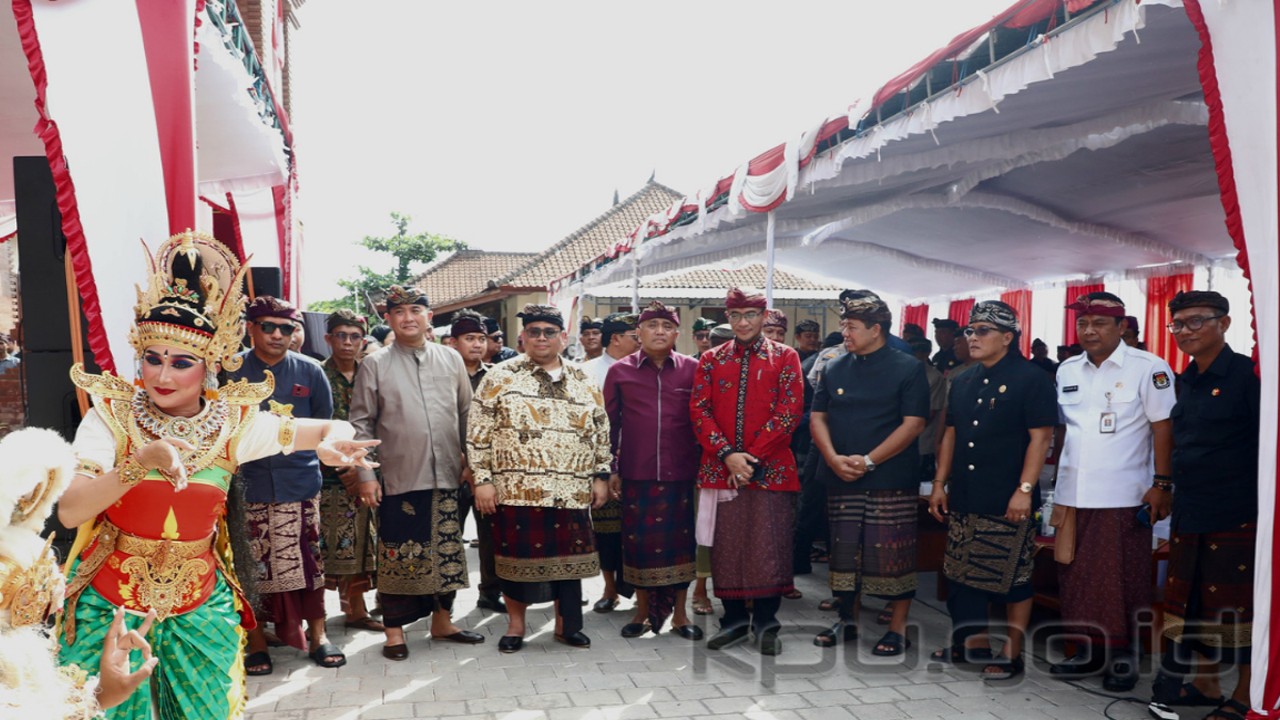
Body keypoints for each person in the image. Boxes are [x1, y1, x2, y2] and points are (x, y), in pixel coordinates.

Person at [58, 231, 377, 719]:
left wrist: (335, 440)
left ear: (209, 366)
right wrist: (140, 462)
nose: (162, 376)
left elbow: (326, 426)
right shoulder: (110, 417)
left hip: (199, 602)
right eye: (152, 359)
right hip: (111, 603)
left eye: (182, 362)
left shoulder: (234, 423)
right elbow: (72, 509)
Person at [348, 286, 483, 661]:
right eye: (399, 311)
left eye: (416, 309)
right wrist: (366, 476)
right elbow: (360, 421)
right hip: (398, 476)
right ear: (388, 319)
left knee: (446, 554)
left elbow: (466, 415)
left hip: (447, 476)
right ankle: (393, 633)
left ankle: (443, 623)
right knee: (399, 556)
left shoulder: (451, 359)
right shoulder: (375, 364)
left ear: (430, 316)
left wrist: (473, 464)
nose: (408, 317)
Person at [468, 304, 611, 652]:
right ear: (523, 337)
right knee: (515, 563)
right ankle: (516, 626)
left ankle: (566, 626)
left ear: (563, 337)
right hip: (516, 489)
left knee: (569, 564)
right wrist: (482, 480)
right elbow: (477, 433)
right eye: (534, 331)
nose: (542, 338)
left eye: (549, 332)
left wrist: (601, 475)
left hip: (571, 489)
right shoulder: (500, 377)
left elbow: (600, 431)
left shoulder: (583, 379)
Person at [1051, 291, 1175, 691]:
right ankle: (1088, 652)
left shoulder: (1149, 368)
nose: (1089, 331)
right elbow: (1064, 431)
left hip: (1124, 494)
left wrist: (1162, 483)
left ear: (1123, 327)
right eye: (1083, 323)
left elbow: (1164, 428)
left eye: (1099, 323)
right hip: (1073, 493)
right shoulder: (1067, 369)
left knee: (1124, 579)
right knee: (1077, 576)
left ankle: (1124, 658)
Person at [927, 301, 1057, 680]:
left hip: (1007, 493)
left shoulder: (1031, 378)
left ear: (1008, 337)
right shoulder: (964, 379)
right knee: (962, 569)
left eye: (982, 330)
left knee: (1011, 574)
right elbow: (950, 433)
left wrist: (1024, 489)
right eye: (970, 330)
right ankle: (972, 643)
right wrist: (939, 482)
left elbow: (1041, 437)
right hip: (966, 490)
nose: (973, 337)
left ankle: (1011, 650)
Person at [1147, 291, 1258, 720]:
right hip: (1191, 509)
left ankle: (1246, 697)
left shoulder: (1249, 375)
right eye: (1178, 325)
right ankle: (1206, 684)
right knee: (1194, 606)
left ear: (1224, 324)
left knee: (1239, 611)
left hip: (1238, 512)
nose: (1186, 332)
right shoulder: (1185, 379)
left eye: (1197, 322)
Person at [809, 290, 928, 655]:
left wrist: (870, 461)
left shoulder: (907, 367)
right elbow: (817, 417)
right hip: (841, 475)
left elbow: (914, 424)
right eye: (844, 325)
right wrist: (832, 458)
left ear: (876, 330)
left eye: (853, 326)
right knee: (844, 553)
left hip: (889, 478)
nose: (846, 332)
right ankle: (847, 620)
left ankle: (897, 628)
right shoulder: (833, 367)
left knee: (893, 555)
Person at [229, 296, 340, 674]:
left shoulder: (310, 371)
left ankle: (319, 635)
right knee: (250, 566)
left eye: (287, 328)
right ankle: (257, 641)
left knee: (310, 563)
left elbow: (326, 426)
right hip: (247, 488)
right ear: (250, 328)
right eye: (268, 326)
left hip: (299, 484)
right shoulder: (230, 371)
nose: (278, 334)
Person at [692, 287, 803, 656]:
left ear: (763, 316)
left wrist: (749, 459)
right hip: (721, 468)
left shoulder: (786, 357)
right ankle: (735, 622)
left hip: (770, 469)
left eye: (750, 315)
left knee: (768, 546)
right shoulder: (710, 359)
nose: (742, 323)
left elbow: (789, 412)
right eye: (735, 316)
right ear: (727, 317)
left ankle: (768, 623)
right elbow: (699, 411)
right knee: (727, 546)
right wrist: (727, 455)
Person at [603, 301, 702, 640]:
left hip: (681, 474)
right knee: (637, 546)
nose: (659, 331)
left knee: (681, 546)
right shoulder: (621, 371)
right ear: (639, 333)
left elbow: (703, 423)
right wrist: (611, 468)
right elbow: (610, 424)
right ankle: (643, 613)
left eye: (666, 326)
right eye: (652, 325)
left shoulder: (693, 369)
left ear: (676, 333)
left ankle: (679, 615)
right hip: (636, 473)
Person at [318, 310, 382, 634]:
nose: (347, 342)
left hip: (369, 473)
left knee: (364, 545)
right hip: (328, 478)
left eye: (354, 336)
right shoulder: (317, 375)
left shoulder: (370, 373)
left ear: (363, 340)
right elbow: (310, 427)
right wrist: (343, 467)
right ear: (328, 338)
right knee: (328, 548)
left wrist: (363, 469)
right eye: (340, 336)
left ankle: (358, 610)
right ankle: (315, 619)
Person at [446, 309, 505, 613]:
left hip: (487, 473)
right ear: (453, 342)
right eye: (470, 339)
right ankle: (445, 601)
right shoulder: (440, 377)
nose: (478, 345)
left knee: (491, 536)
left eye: (481, 339)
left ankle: (490, 593)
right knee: (448, 536)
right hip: (449, 470)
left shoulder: (497, 376)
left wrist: (481, 467)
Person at [581, 311, 640, 612]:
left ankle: (641, 593)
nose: (640, 341)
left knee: (638, 530)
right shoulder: (587, 371)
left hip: (639, 461)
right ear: (615, 338)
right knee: (606, 530)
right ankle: (610, 588)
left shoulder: (644, 368)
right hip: (603, 464)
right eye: (634, 336)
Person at [910, 338, 946, 482]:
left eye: (916, 352)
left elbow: (931, 412)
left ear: (926, 354)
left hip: (923, 440)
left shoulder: (934, 377)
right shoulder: (906, 373)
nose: (912, 355)